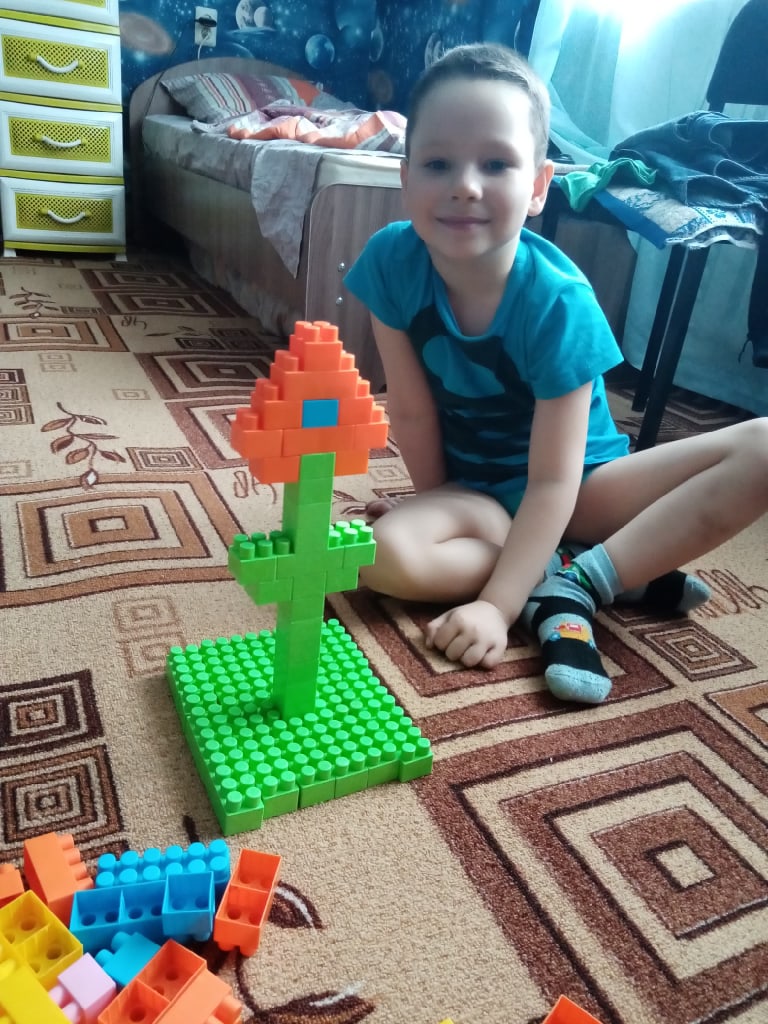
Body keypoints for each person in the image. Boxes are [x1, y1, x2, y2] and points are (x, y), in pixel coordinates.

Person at [344, 42, 768, 704]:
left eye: (495, 164)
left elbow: (553, 479)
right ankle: (577, 558)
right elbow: (414, 410)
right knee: (379, 558)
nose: (464, 185)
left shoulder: (559, 301)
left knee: (765, 447)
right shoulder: (389, 263)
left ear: (539, 185)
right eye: (437, 163)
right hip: (479, 492)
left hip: (585, 488)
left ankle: (581, 580)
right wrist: (436, 500)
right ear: (405, 177)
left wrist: (497, 605)